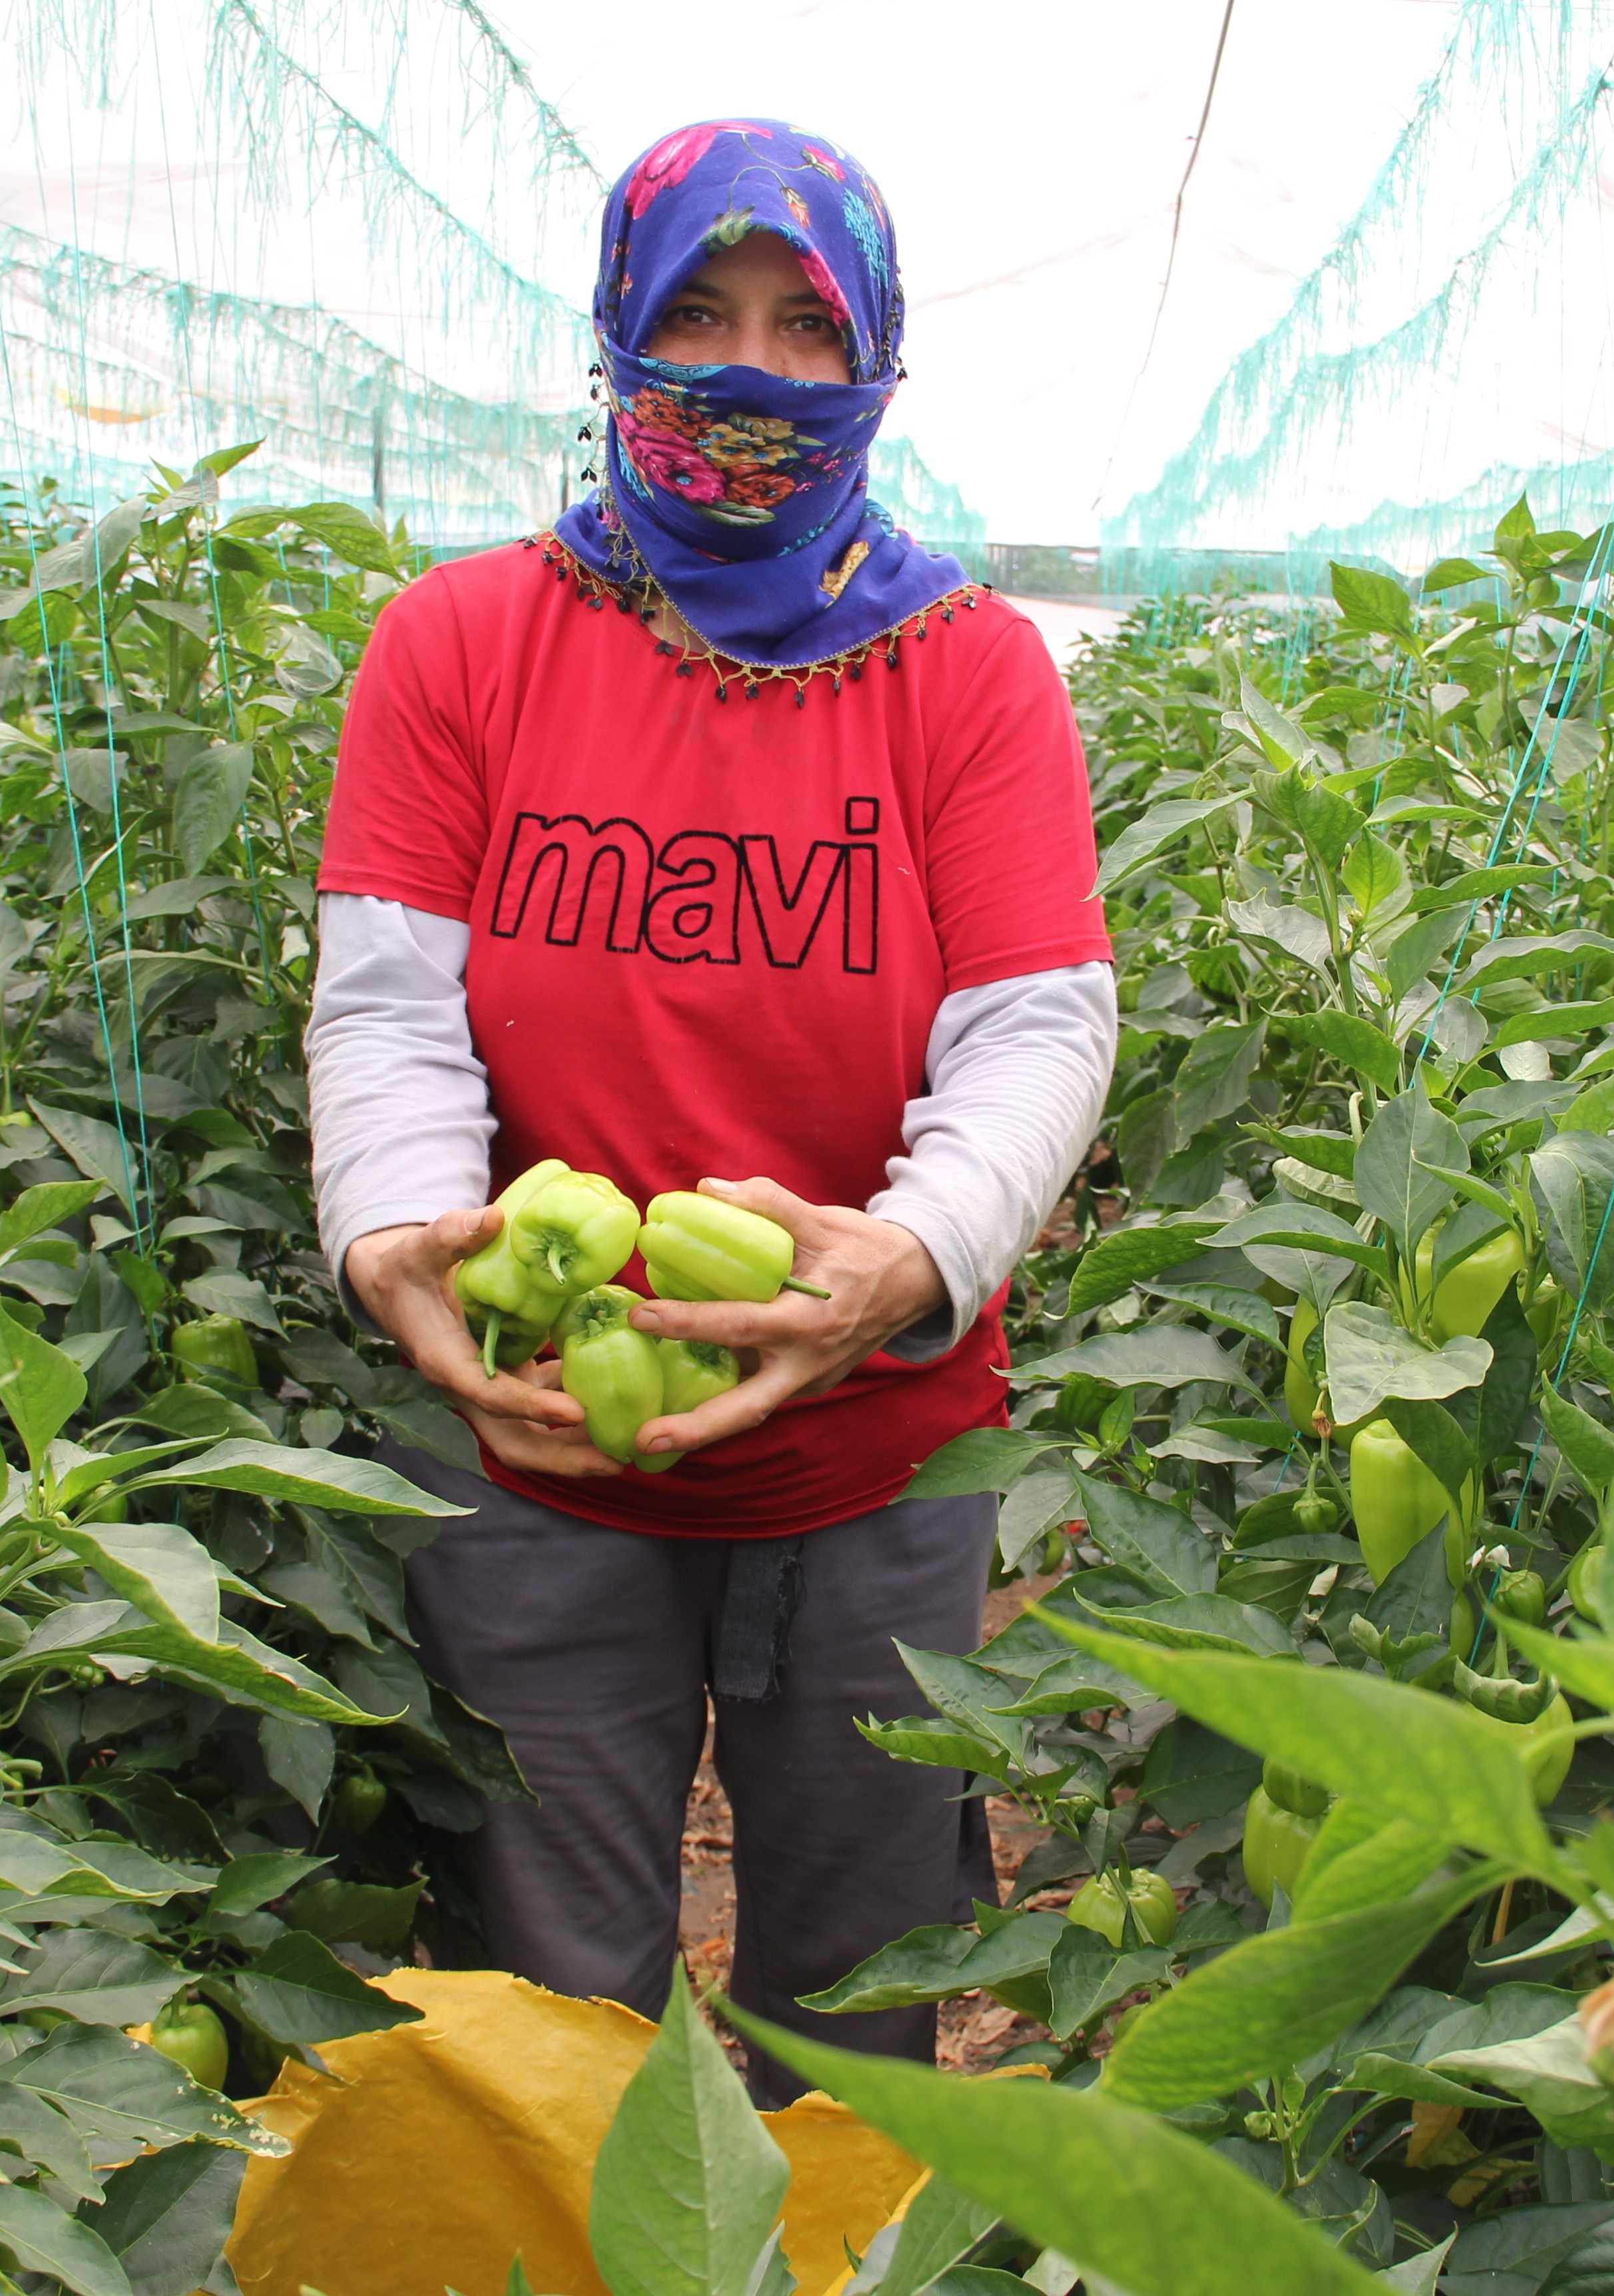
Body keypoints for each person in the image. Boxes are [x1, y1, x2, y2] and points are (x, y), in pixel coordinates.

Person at [306, 119, 1117, 2099]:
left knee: (849, 2000)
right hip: (540, 1420)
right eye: (695, 319)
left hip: (874, 1451)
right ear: (610, 338)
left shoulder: (967, 668)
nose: (748, 380)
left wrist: (907, 1256)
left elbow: (1037, 1022)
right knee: (548, 1995)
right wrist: (397, 1230)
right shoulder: (465, 643)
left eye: (801, 331)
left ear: (873, 362)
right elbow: (391, 1010)